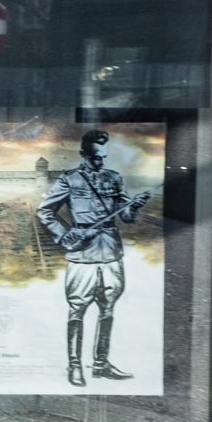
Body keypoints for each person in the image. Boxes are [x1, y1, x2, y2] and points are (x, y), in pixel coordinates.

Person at [38, 127, 152, 388]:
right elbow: (45, 212)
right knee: (77, 309)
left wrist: (134, 205)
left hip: (111, 252)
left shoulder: (114, 178)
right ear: (83, 154)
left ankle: (101, 364)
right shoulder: (69, 180)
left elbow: (126, 217)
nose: (100, 162)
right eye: (95, 157)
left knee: (108, 309)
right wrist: (66, 235)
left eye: (103, 157)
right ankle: (75, 366)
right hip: (82, 253)